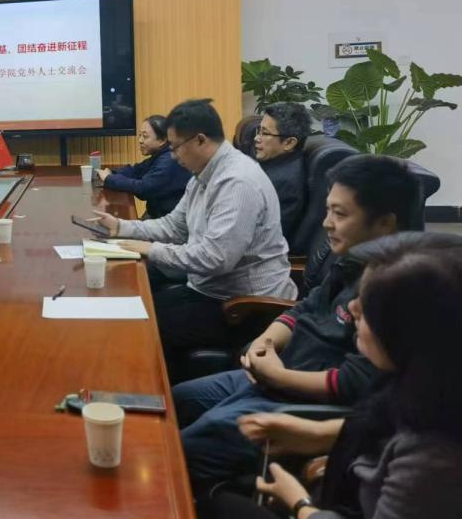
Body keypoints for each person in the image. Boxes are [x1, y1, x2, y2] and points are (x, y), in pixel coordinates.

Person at [172, 155, 419, 493]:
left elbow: (354, 382)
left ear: (385, 223)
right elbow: (306, 307)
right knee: (181, 398)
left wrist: (276, 375)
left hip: (308, 401)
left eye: (340, 214)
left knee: (184, 449)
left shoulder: (397, 289)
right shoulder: (353, 258)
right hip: (278, 374)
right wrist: (265, 343)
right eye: (328, 210)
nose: (326, 223)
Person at [200, 232, 462, 519]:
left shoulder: (433, 455)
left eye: (367, 304)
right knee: (216, 500)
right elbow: (384, 424)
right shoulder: (416, 381)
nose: (351, 308)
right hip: (340, 495)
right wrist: (319, 433)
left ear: (411, 330)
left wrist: (299, 503)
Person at [92, 99, 295, 370]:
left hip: (244, 305)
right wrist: (121, 227)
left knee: (140, 324)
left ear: (200, 140)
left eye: (175, 147)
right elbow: (175, 226)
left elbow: (216, 258)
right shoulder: (204, 173)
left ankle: (159, 394)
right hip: (210, 290)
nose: (173, 156)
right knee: (133, 307)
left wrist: (150, 249)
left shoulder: (236, 181)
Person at [96, 114, 191, 218]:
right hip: (156, 214)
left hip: (168, 220)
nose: (140, 140)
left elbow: (144, 189)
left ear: (162, 140)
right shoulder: (160, 155)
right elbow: (135, 171)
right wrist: (112, 173)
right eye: (140, 135)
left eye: (145, 136)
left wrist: (109, 179)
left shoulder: (169, 160)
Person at [255, 103, 311, 241]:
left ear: (289, 143)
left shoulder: (285, 182)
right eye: (258, 131)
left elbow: (265, 237)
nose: (257, 138)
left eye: (265, 133)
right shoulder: (275, 163)